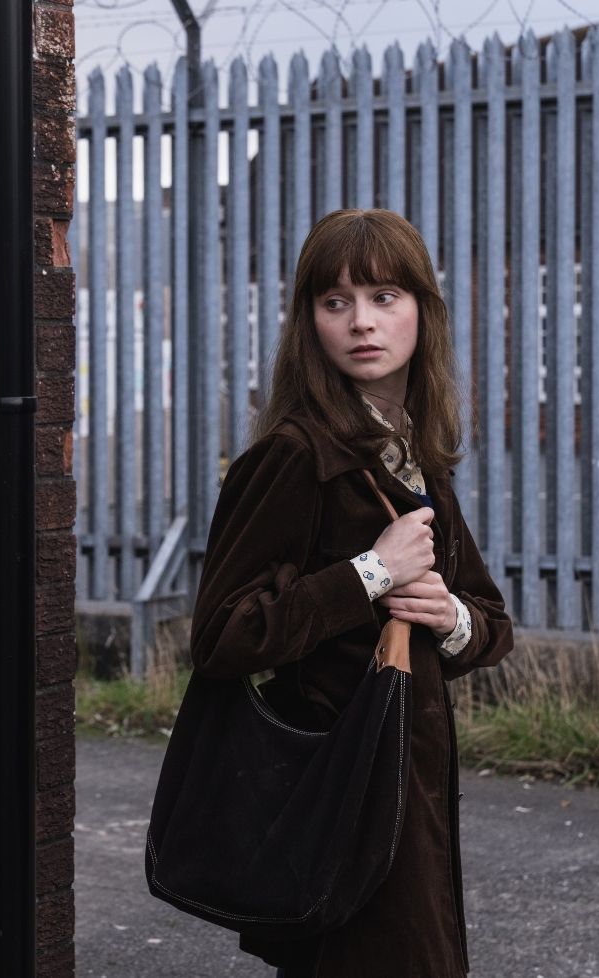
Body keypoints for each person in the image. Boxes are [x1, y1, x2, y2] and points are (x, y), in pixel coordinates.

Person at [188, 208, 516, 978]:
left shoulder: (414, 457)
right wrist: (370, 573)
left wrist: (451, 617)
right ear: (311, 323)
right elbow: (223, 636)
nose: (361, 322)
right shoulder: (296, 457)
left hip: (411, 792)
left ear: (421, 312)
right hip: (338, 788)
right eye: (335, 302)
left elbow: (492, 622)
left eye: (383, 297)